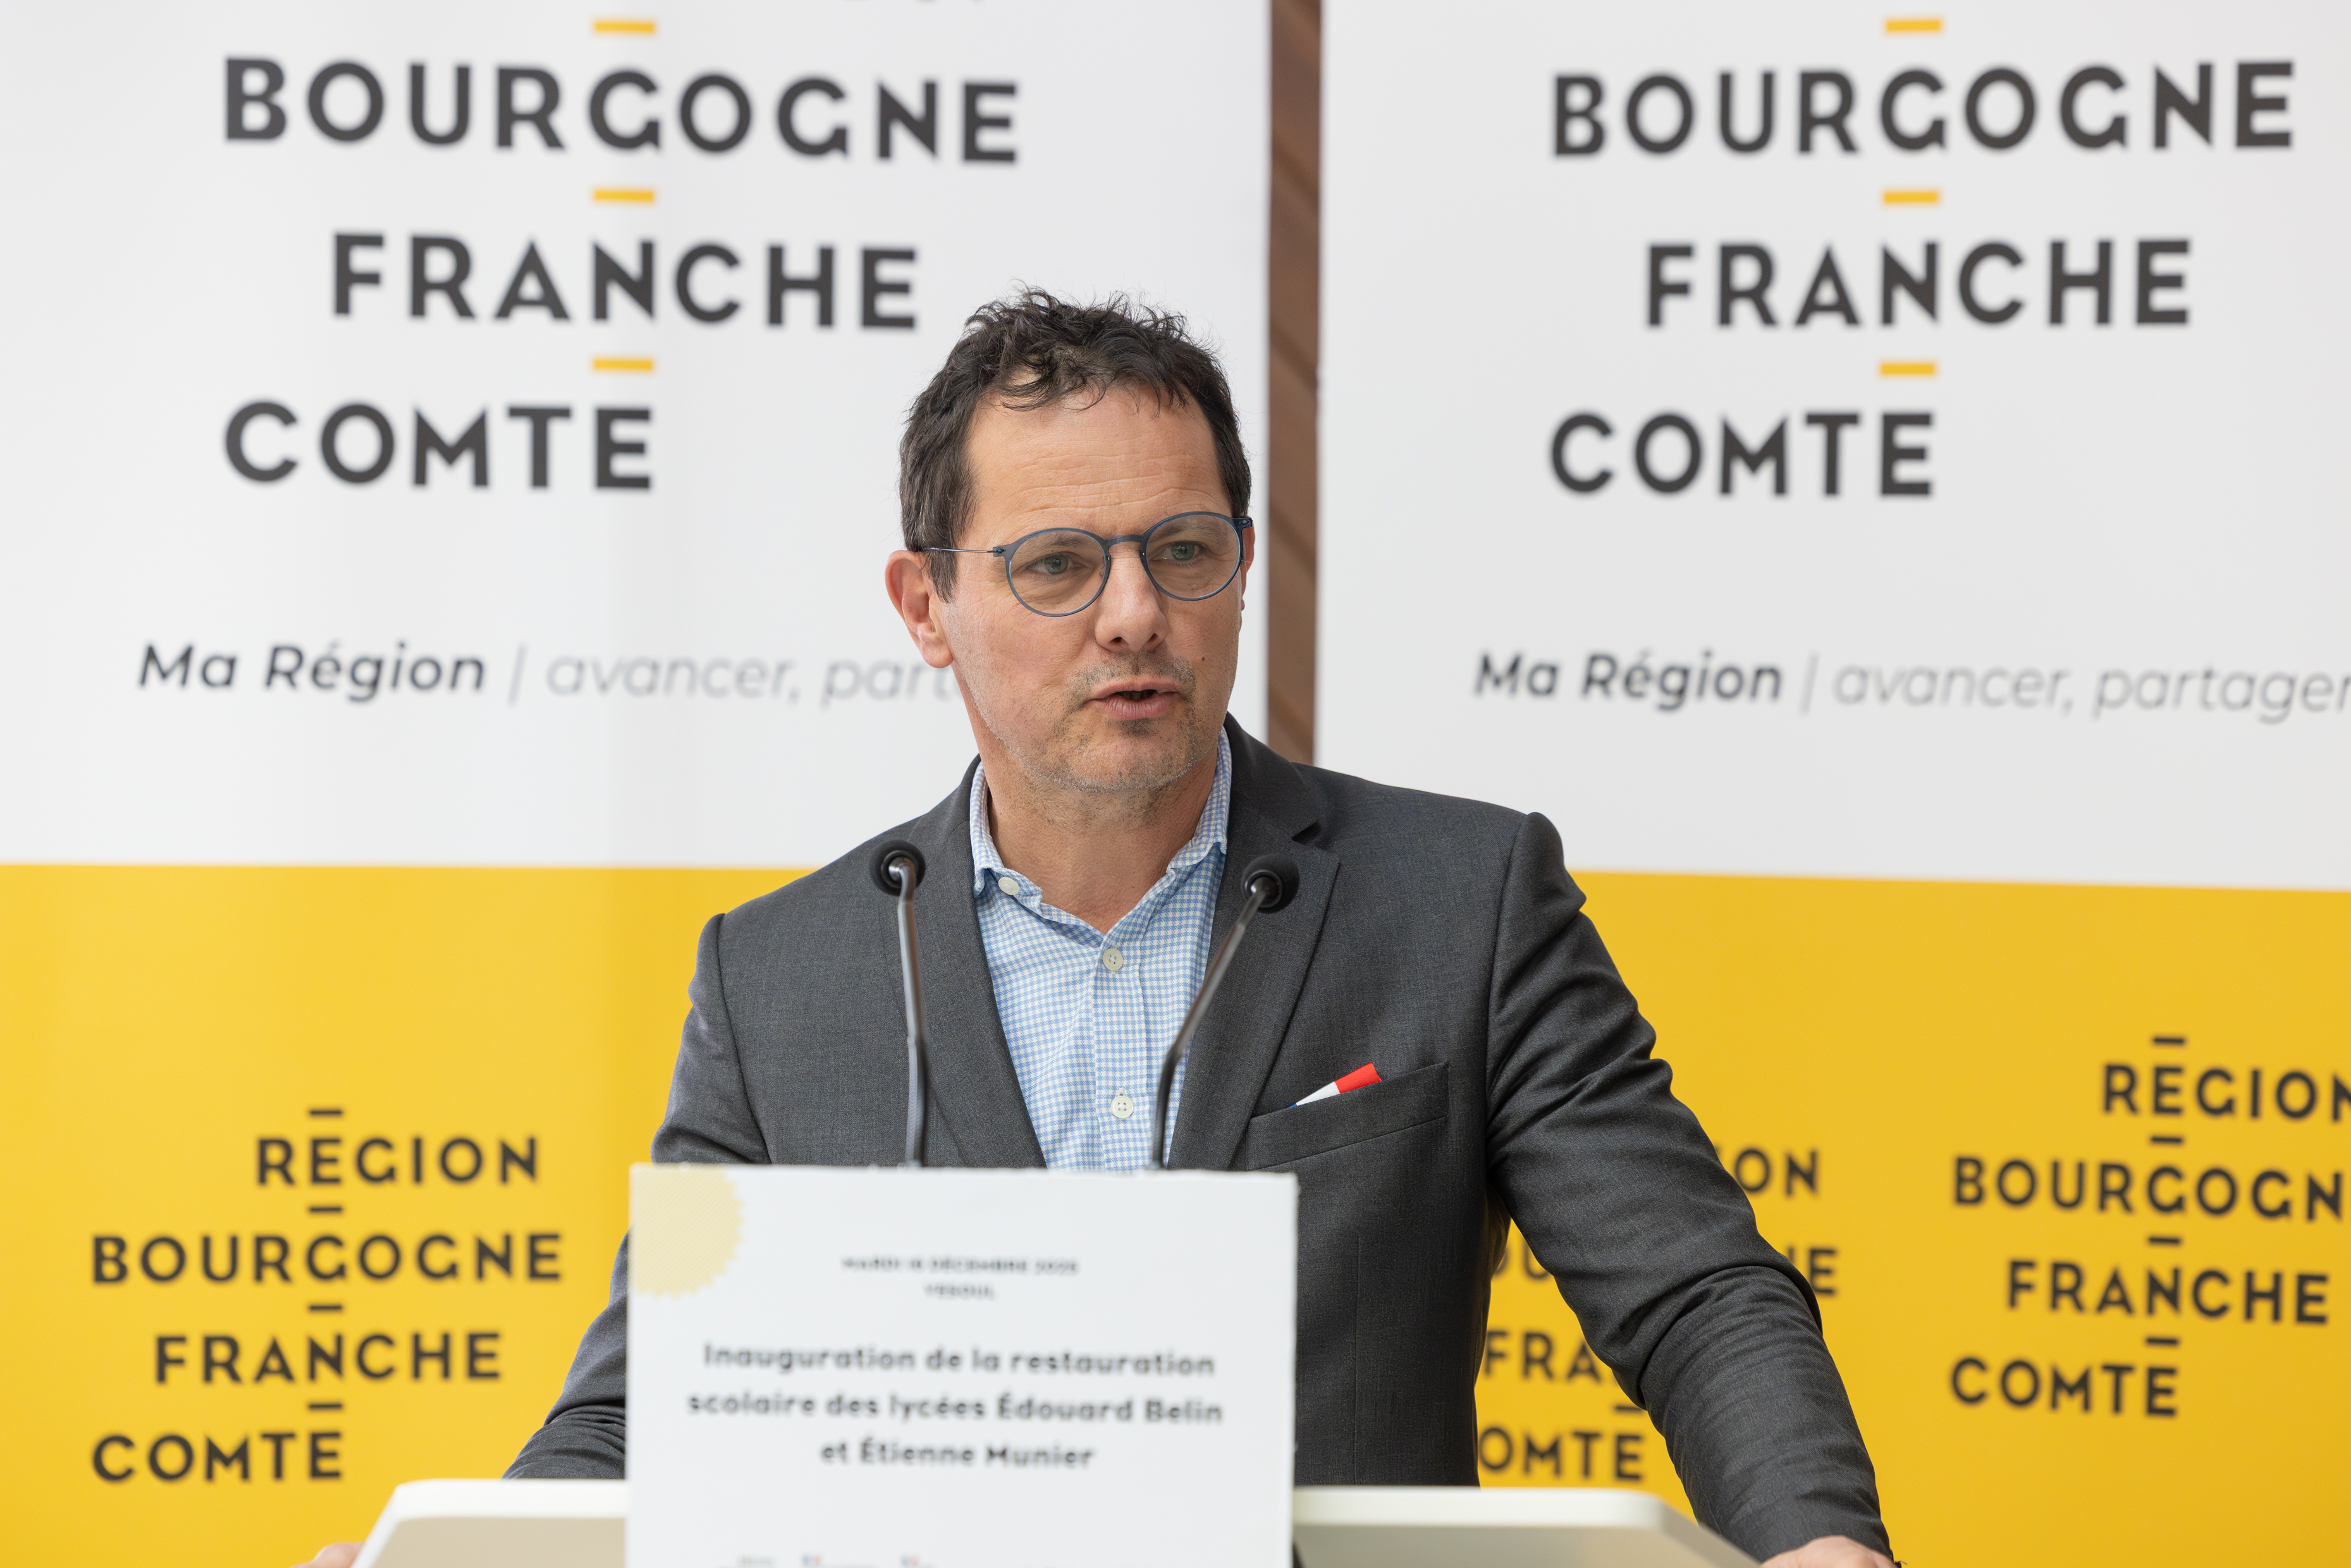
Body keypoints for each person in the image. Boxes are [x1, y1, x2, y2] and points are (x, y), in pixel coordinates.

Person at [295, 292, 1891, 1568]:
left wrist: (1814, 1539)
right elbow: (648, 1411)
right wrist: (457, 1553)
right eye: (1056, 565)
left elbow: (1694, 1291)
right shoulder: (782, 977)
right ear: (924, 606)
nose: (1134, 615)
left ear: (1241, 567)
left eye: (1181, 551)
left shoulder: (1458, 900)